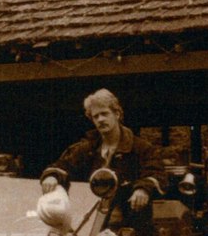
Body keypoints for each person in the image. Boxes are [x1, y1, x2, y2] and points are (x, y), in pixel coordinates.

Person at [40, 89, 160, 227]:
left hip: (131, 225)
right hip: (90, 225)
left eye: (104, 114)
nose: (100, 119)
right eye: (95, 116)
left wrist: (143, 189)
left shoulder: (141, 147)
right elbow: (63, 165)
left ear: (117, 114)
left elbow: (156, 172)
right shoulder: (86, 149)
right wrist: (52, 176)